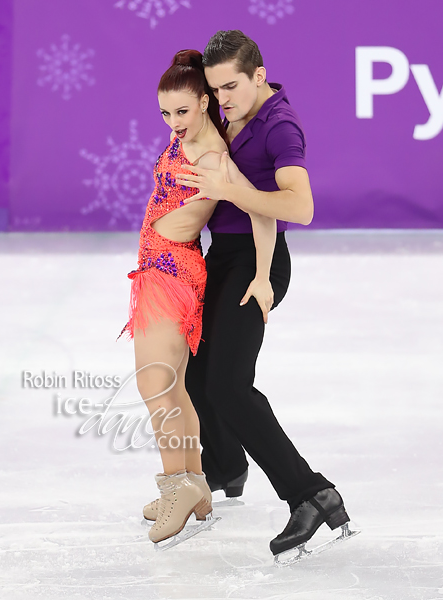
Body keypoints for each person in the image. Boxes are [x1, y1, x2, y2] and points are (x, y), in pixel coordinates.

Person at [176, 30, 352, 557]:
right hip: (224, 258)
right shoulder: (237, 112)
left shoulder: (280, 126)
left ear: (259, 75)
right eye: (215, 89)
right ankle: (226, 468)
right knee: (201, 373)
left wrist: (233, 192)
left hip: (258, 264)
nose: (222, 99)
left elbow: (301, 208)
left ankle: (311, 492)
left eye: (231, 86)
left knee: (229, 385)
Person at [120, 49, 277, 546]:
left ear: (206, 103)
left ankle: (178, 487)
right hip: (158, 269)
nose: (173, 122)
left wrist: (265, 275)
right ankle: (193, 484)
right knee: (171, 388)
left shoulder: (213, 157)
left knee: (156, 385)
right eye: (165, 113)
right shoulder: (185, 137)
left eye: (183, 111)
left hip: (172, 272)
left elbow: (260, 210)